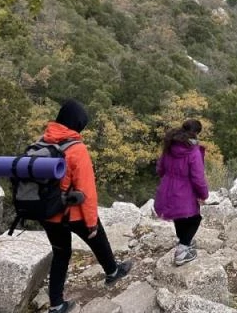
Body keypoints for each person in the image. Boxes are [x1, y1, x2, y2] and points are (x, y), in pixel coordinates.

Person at [40, 99, 132, 313]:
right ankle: (112, 272)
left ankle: (56, 305)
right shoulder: (76, 149)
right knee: (97, 236)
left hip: (47, 212)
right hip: (71, 212)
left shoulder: (43, 141)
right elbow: (87, 191)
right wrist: (91, 223)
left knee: (61, 254)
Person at [154, 118, 209, 266]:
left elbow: (160, 168)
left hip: (167, 187)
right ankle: (182, 250)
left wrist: (168, 180)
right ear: (196, 133)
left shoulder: (170, 145)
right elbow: (198, 177)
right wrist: (203, 194)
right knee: (194, 218)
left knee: (179, 217)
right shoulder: (193, 151)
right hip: (184, 189)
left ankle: (184, 240)